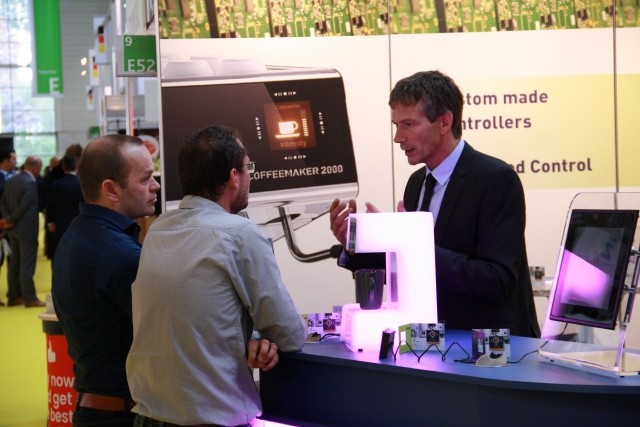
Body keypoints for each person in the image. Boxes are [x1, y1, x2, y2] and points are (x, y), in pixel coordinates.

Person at [329, 70, 540, 338]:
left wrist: (415, 244)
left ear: (444, 122)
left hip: (490, 349)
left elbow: (498, 279)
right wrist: (356, 246)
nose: (398, 137)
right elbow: (407, 272)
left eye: (409, 124)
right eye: (396, 125)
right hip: (431, 344)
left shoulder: (496, 179)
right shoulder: (416, 182)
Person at [126, 125, 306, 427]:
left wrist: (256, 335)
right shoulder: (240, 234)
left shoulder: (158, 231)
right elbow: (290, 334)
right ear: (234, 176)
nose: (249, 176)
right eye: (247, 168)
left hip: (149, 417)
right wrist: (267, 336)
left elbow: (204, 315)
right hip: (214, 419)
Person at [52, 134, 160, 426]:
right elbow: (173, 332)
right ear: (111, 189)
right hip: (121, 413)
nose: (156, 186)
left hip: (98, 407)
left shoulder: (77, 235)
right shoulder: (118, 253)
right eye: (145, 179)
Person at [0, 156, 44, 308]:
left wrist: (7, 220)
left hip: (12, 230)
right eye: (39, 168)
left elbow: (2, 203)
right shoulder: (30, 182)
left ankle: (14, 297)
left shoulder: (11, 180)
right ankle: (30, 298)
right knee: (27, 264)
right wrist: (11, 219)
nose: (39, 172)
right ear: (34, 167)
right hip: (26, 229)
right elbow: (25, 205)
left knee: (14, 263)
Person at [45, 153, 84, 268]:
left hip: (60, 224)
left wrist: (50, 222)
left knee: (58, 255)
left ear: (63, 166)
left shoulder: (56, 184)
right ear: (77, 166)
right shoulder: (82, 184)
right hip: (79, 224)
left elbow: (50, 205)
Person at [0, 148, 17, 306]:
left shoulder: (13, 176)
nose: (15, 162)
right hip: (2, 224)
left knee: (12, 260)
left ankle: (13, 294)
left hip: (11, 225)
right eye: (13, 159)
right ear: (5, 161)